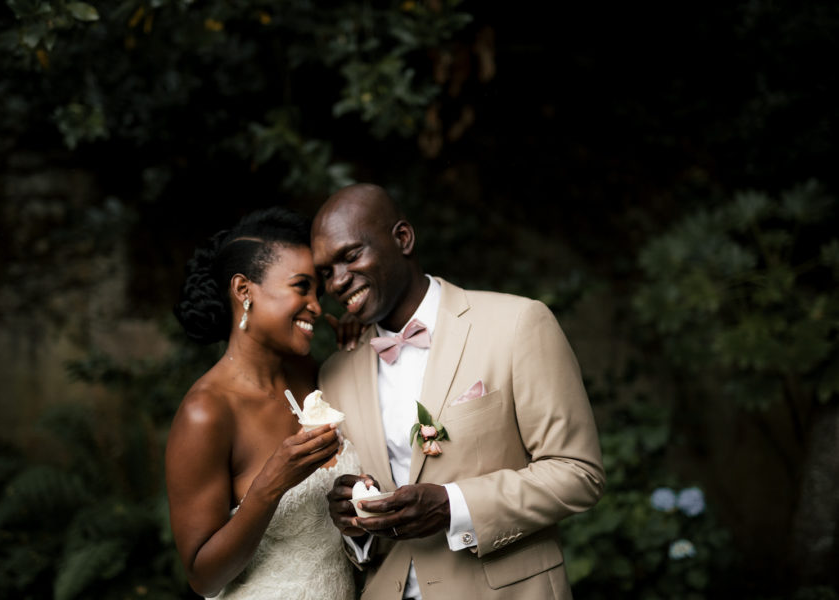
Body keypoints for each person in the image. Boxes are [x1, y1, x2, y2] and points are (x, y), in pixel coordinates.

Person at [312, 184, 606, 600]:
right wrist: (353, 523)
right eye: (325, 272)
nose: (338, 281)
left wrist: (454, 505)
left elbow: (579, 473)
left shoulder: (518, 323)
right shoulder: (335, 374)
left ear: (403, 239)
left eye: (351, 256)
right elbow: (361, 536)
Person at [166, 207, 359, 600]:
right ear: (244, 290)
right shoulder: (206, 412)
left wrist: (358, 352)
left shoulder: (312, 376)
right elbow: (203, 577)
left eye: (317, 293)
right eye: (301, 287)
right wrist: (269, 486)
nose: (318, 307)